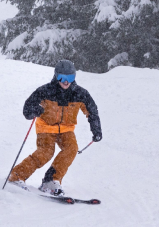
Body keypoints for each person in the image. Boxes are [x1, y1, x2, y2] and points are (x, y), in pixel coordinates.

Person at [6, 60, 102, 195]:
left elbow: (92, 111)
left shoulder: (80, 94)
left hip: (66, 129)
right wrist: (35, 110)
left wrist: (96, 129)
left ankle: (50, 181)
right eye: (62, 77)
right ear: (56, 76)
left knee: (71, 149)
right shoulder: (45, 91)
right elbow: (27, 109)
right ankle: (16, 176)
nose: (66, 82)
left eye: (70, 78)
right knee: (46, 152)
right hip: (46, 127)